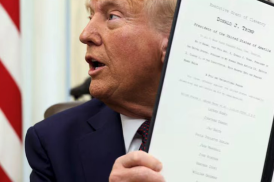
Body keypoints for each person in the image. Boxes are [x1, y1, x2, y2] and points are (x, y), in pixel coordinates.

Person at [25, 0, 177, 181]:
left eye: (112, 16)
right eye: (90, 16)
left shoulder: (218, 129)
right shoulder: (53, 142)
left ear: (172, 42)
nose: (85, 34)